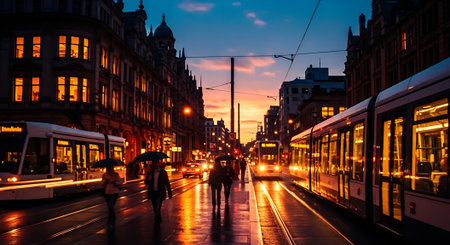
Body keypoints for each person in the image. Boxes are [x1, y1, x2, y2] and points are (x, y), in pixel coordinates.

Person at [145, 159, 172, 228]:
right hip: (153, 193)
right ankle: (158, 219)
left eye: (156, 164)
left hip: (160, 193)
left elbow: (167, 183)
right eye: (154, 164)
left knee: (157, 207)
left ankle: (157, 222)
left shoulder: (163, 172)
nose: (155, 165)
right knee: (155, 208)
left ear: (158, 164)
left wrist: (169, 192)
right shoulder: (150, 172)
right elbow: (146, 183)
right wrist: (148, 178)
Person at [102, 165, 122, 231]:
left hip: (114, 192)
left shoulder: (116, 175)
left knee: (111, 206)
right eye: (108, 168)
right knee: (110, 207)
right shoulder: (105, 175)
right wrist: (105, 181)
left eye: (110, 168)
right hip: (107, 192)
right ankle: (112, 219)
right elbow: (102, 183)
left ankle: (110, 220)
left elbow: (120, 183)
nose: (109, 170)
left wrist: (115, 182)